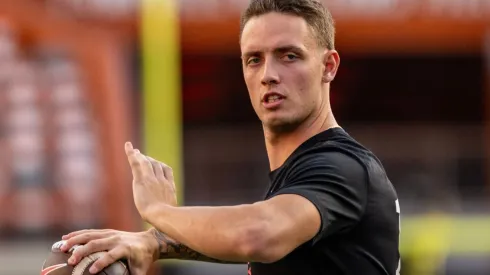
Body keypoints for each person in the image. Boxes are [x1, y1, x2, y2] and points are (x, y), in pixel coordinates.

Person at [60, 0, 401, 274]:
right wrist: (156, 242)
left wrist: (157, 210)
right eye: (254, 59)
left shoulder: (342, 166)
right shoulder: (298, 179)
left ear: (328, 66)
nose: (269, 75)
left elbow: (256, 235)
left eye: (289, 56)